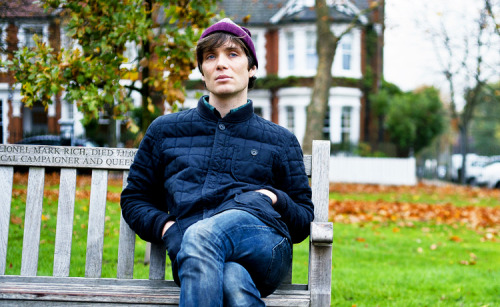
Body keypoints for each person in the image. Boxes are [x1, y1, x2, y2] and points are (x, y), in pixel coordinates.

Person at [121, 18, 314, 306]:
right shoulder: (165, 131)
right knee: (232, 280)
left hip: (264, 246)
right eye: (211, 57)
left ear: (251, 68)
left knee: (201, 236)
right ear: (202, 71)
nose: (221, 64)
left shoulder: (280, 139)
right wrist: (168, 229)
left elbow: (302, 221)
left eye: (232, 54)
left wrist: (272, 197)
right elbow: (135, 198)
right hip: (194, 256)